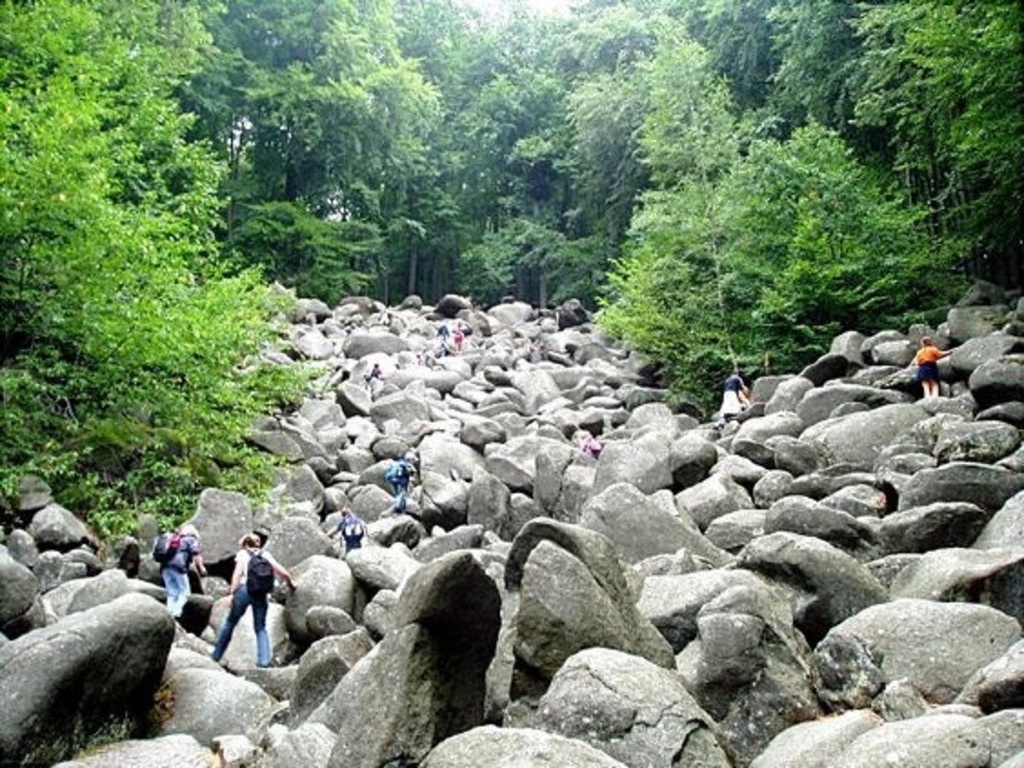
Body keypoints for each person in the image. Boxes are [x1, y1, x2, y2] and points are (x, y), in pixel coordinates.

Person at [211, 533, 296, 668]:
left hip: (244, 591)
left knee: (230, 622)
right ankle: (264, 661)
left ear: (245, 544)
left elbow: (237, 575)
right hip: (260, 593)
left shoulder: (242, 554)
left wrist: (232, 594)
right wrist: (291, 584)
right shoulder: (265, 555)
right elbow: (282, 572)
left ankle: (216, 655)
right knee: (260, 627)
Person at [160, 523, 206, 619]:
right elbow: (196, 554)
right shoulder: (191, 539)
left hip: (165, 567)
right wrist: (201, 568)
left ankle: (169, 615)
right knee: (185, 593)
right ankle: (176, 614)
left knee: (172, 592)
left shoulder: (175, 539)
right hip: (178, 567)